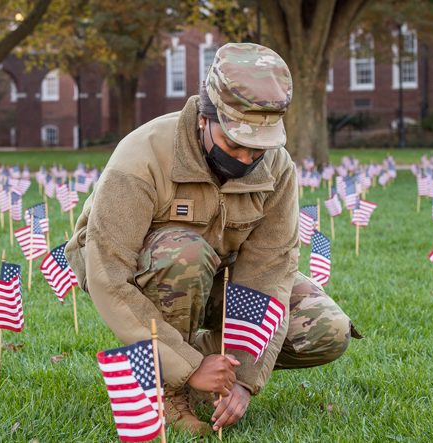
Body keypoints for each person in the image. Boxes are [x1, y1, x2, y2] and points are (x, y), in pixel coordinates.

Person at [65, 42, 360, 436]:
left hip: (221, 272)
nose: (244, 158)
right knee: (183, 253)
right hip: (138, 270)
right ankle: (166, 389)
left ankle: (198, 364)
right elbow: (108, 274)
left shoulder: (277, 168)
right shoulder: (141, 155)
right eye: (234, 142)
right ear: (206, 117)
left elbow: (269, 274)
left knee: (326, 329)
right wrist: (186, 365)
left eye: (256, 148)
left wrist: (242, 377)